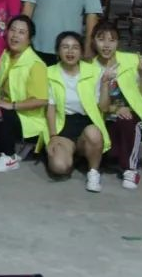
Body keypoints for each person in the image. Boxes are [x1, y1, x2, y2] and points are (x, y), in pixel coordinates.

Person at [92, 23, 142, 189]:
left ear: (118, 42)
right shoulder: (90, 68)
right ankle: (117, 154)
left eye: (112, 40)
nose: (106, 45)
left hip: (136, 116)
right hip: (106, 117)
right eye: (101, 39)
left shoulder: (132, 60)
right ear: (93, 41)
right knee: (110, 154)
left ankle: (130, 169)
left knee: (127, 121)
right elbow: (100, 106)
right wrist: (116, 108)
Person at [41, 31, 109, 192]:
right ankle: (73, 155)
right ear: (58, 51)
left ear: (81, 52)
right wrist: (53, 136)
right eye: (65, 47)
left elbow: (104, 108)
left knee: (94, 134)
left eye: (75, 47)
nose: (70, 51)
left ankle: (93, 172)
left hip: (87, 124)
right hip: (63, 125)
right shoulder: (49, 72)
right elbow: (50, 107)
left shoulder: (94, 72)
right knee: (59, 168)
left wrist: (105, 84)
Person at [0, 15, 49, 173]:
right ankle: (20, 144)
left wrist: (11, 105)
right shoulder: (6, 55)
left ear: (29, 39)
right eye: (12, 30)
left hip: (29, 119)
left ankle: (9, 157)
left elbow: (41, 100)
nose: (15, 35)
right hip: (8, 110)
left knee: (1, 112)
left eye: (21, 32)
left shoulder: (36, 64)